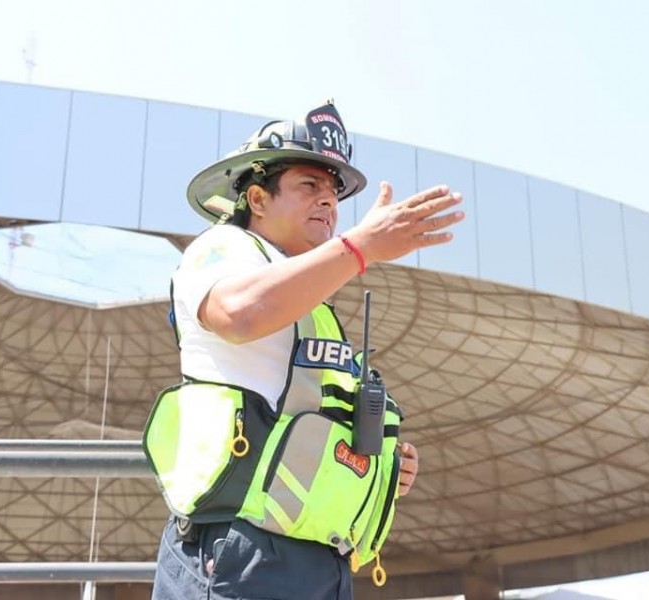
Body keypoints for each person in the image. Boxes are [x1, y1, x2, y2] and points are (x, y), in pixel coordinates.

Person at [143, 100, 464, 600]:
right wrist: (361, 248)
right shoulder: (222, 248)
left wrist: (382, 467)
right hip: (239, 552)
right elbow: (239, 313)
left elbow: (312, 423)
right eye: (308, 185)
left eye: (334, 192)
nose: (328, 202)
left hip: (317, 560)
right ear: (257, 198)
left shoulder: (312, 300)